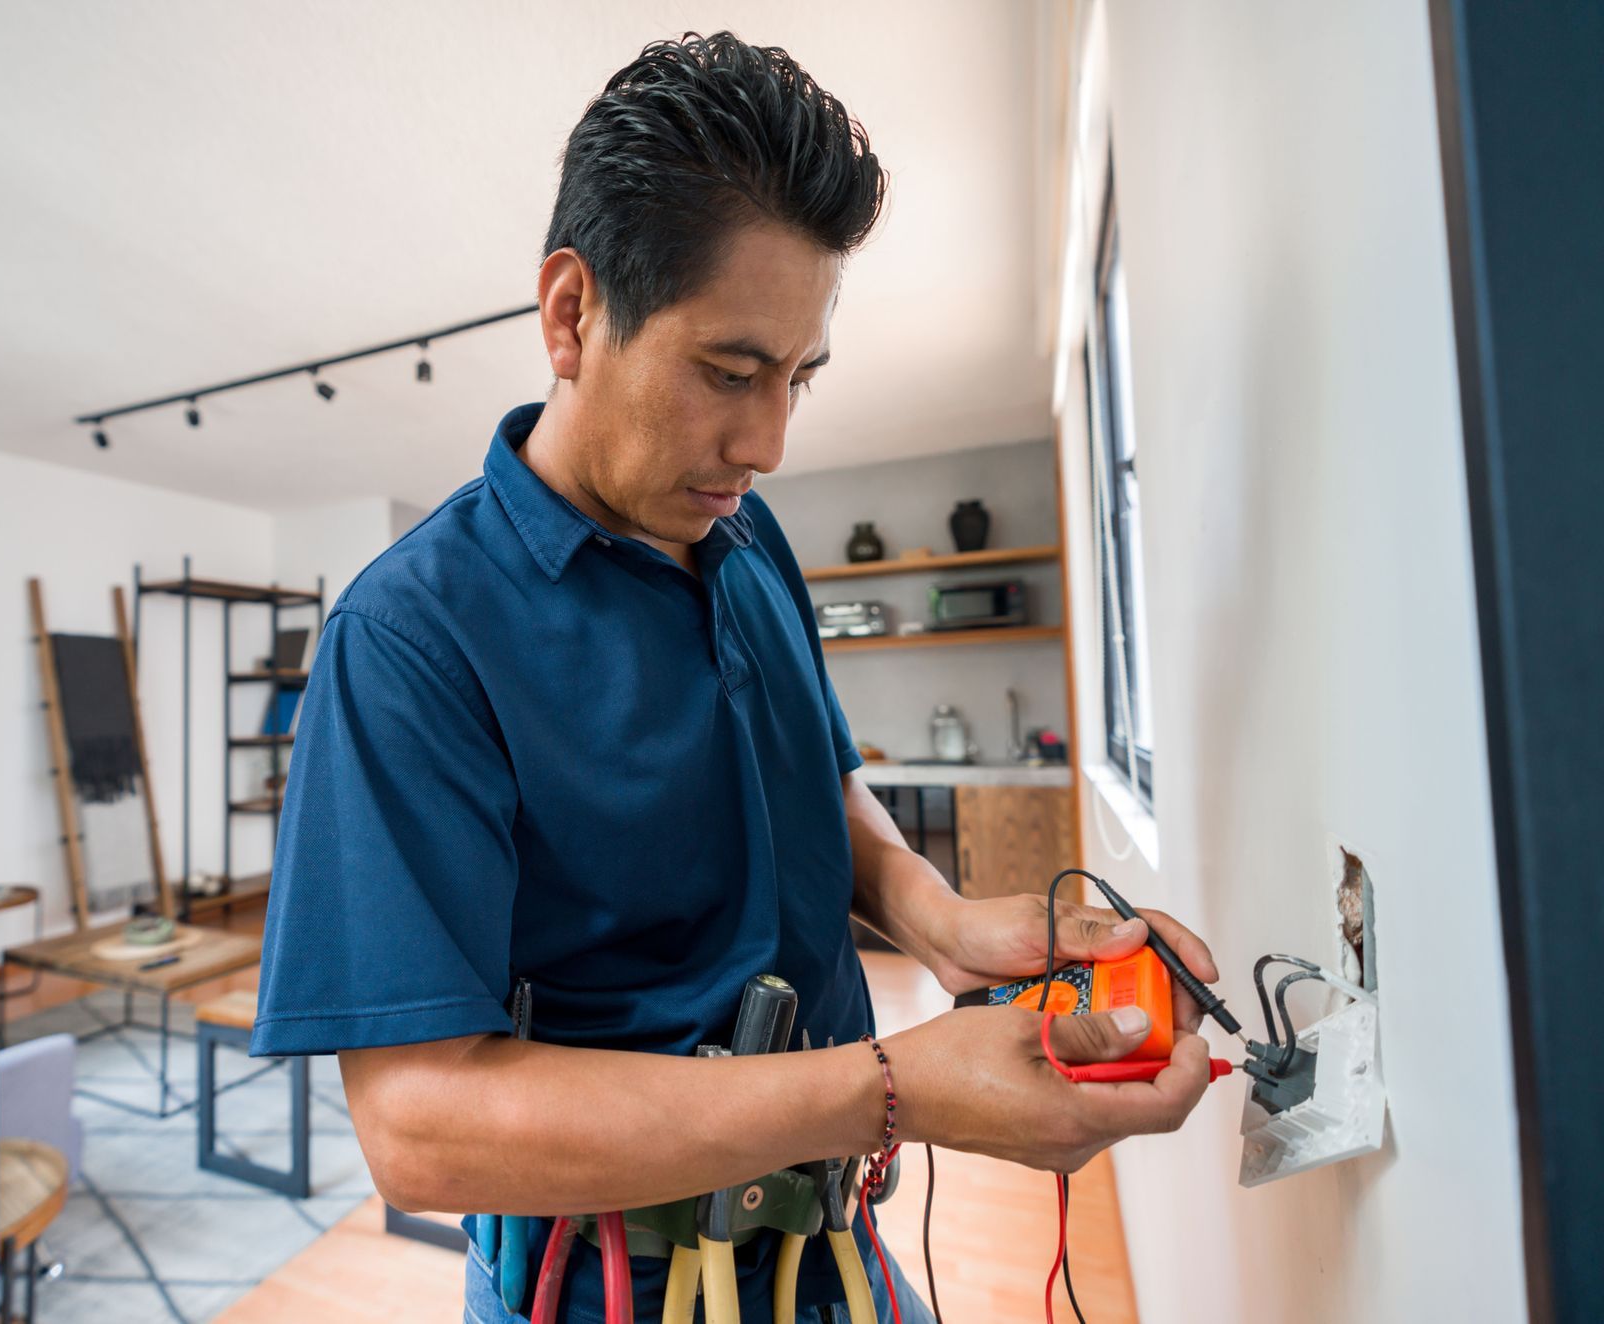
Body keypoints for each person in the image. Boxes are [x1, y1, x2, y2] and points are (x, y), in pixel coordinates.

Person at [251, 31, 1218, 1322]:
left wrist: (941, 919)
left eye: (799, 378)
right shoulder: (412, 635)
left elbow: (814, 774)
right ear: (570, 313)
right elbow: (423, 1131)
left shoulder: (744, 535)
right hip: (604, 1287)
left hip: (832, 1241)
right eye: (730, 371)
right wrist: (898, 1085)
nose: (765, 442)